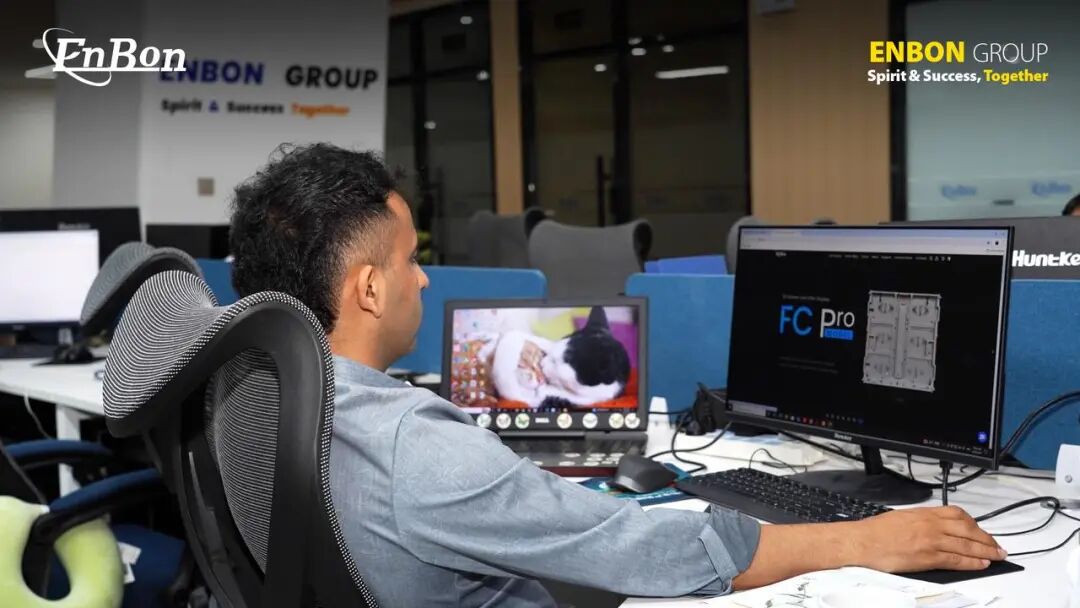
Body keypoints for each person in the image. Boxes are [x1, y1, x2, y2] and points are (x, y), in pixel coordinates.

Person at [229, 143, 1007, 607]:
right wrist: (863, 540)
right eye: (409, 261)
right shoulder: (414, 449)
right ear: (368, 289)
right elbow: (646, 548)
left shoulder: (251, 392)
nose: (423, 278)